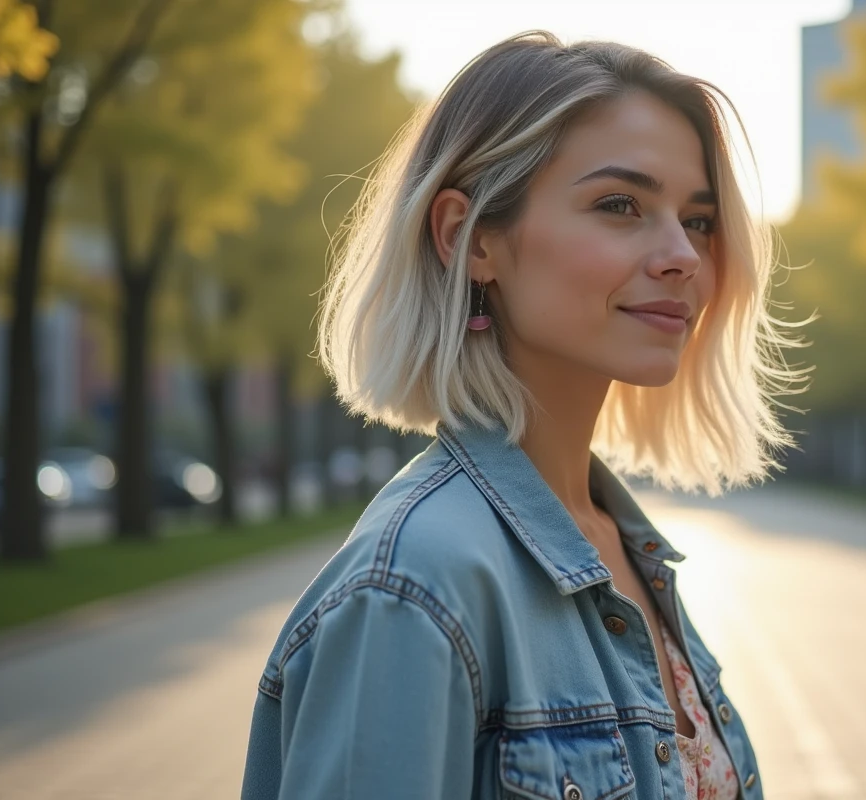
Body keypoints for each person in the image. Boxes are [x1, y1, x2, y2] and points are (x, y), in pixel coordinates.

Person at [241, 29, 804, 800]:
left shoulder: (623, 547)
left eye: (698, 220)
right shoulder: (413, 586)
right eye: (620, 205)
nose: (683, 255)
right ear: (468, 240)